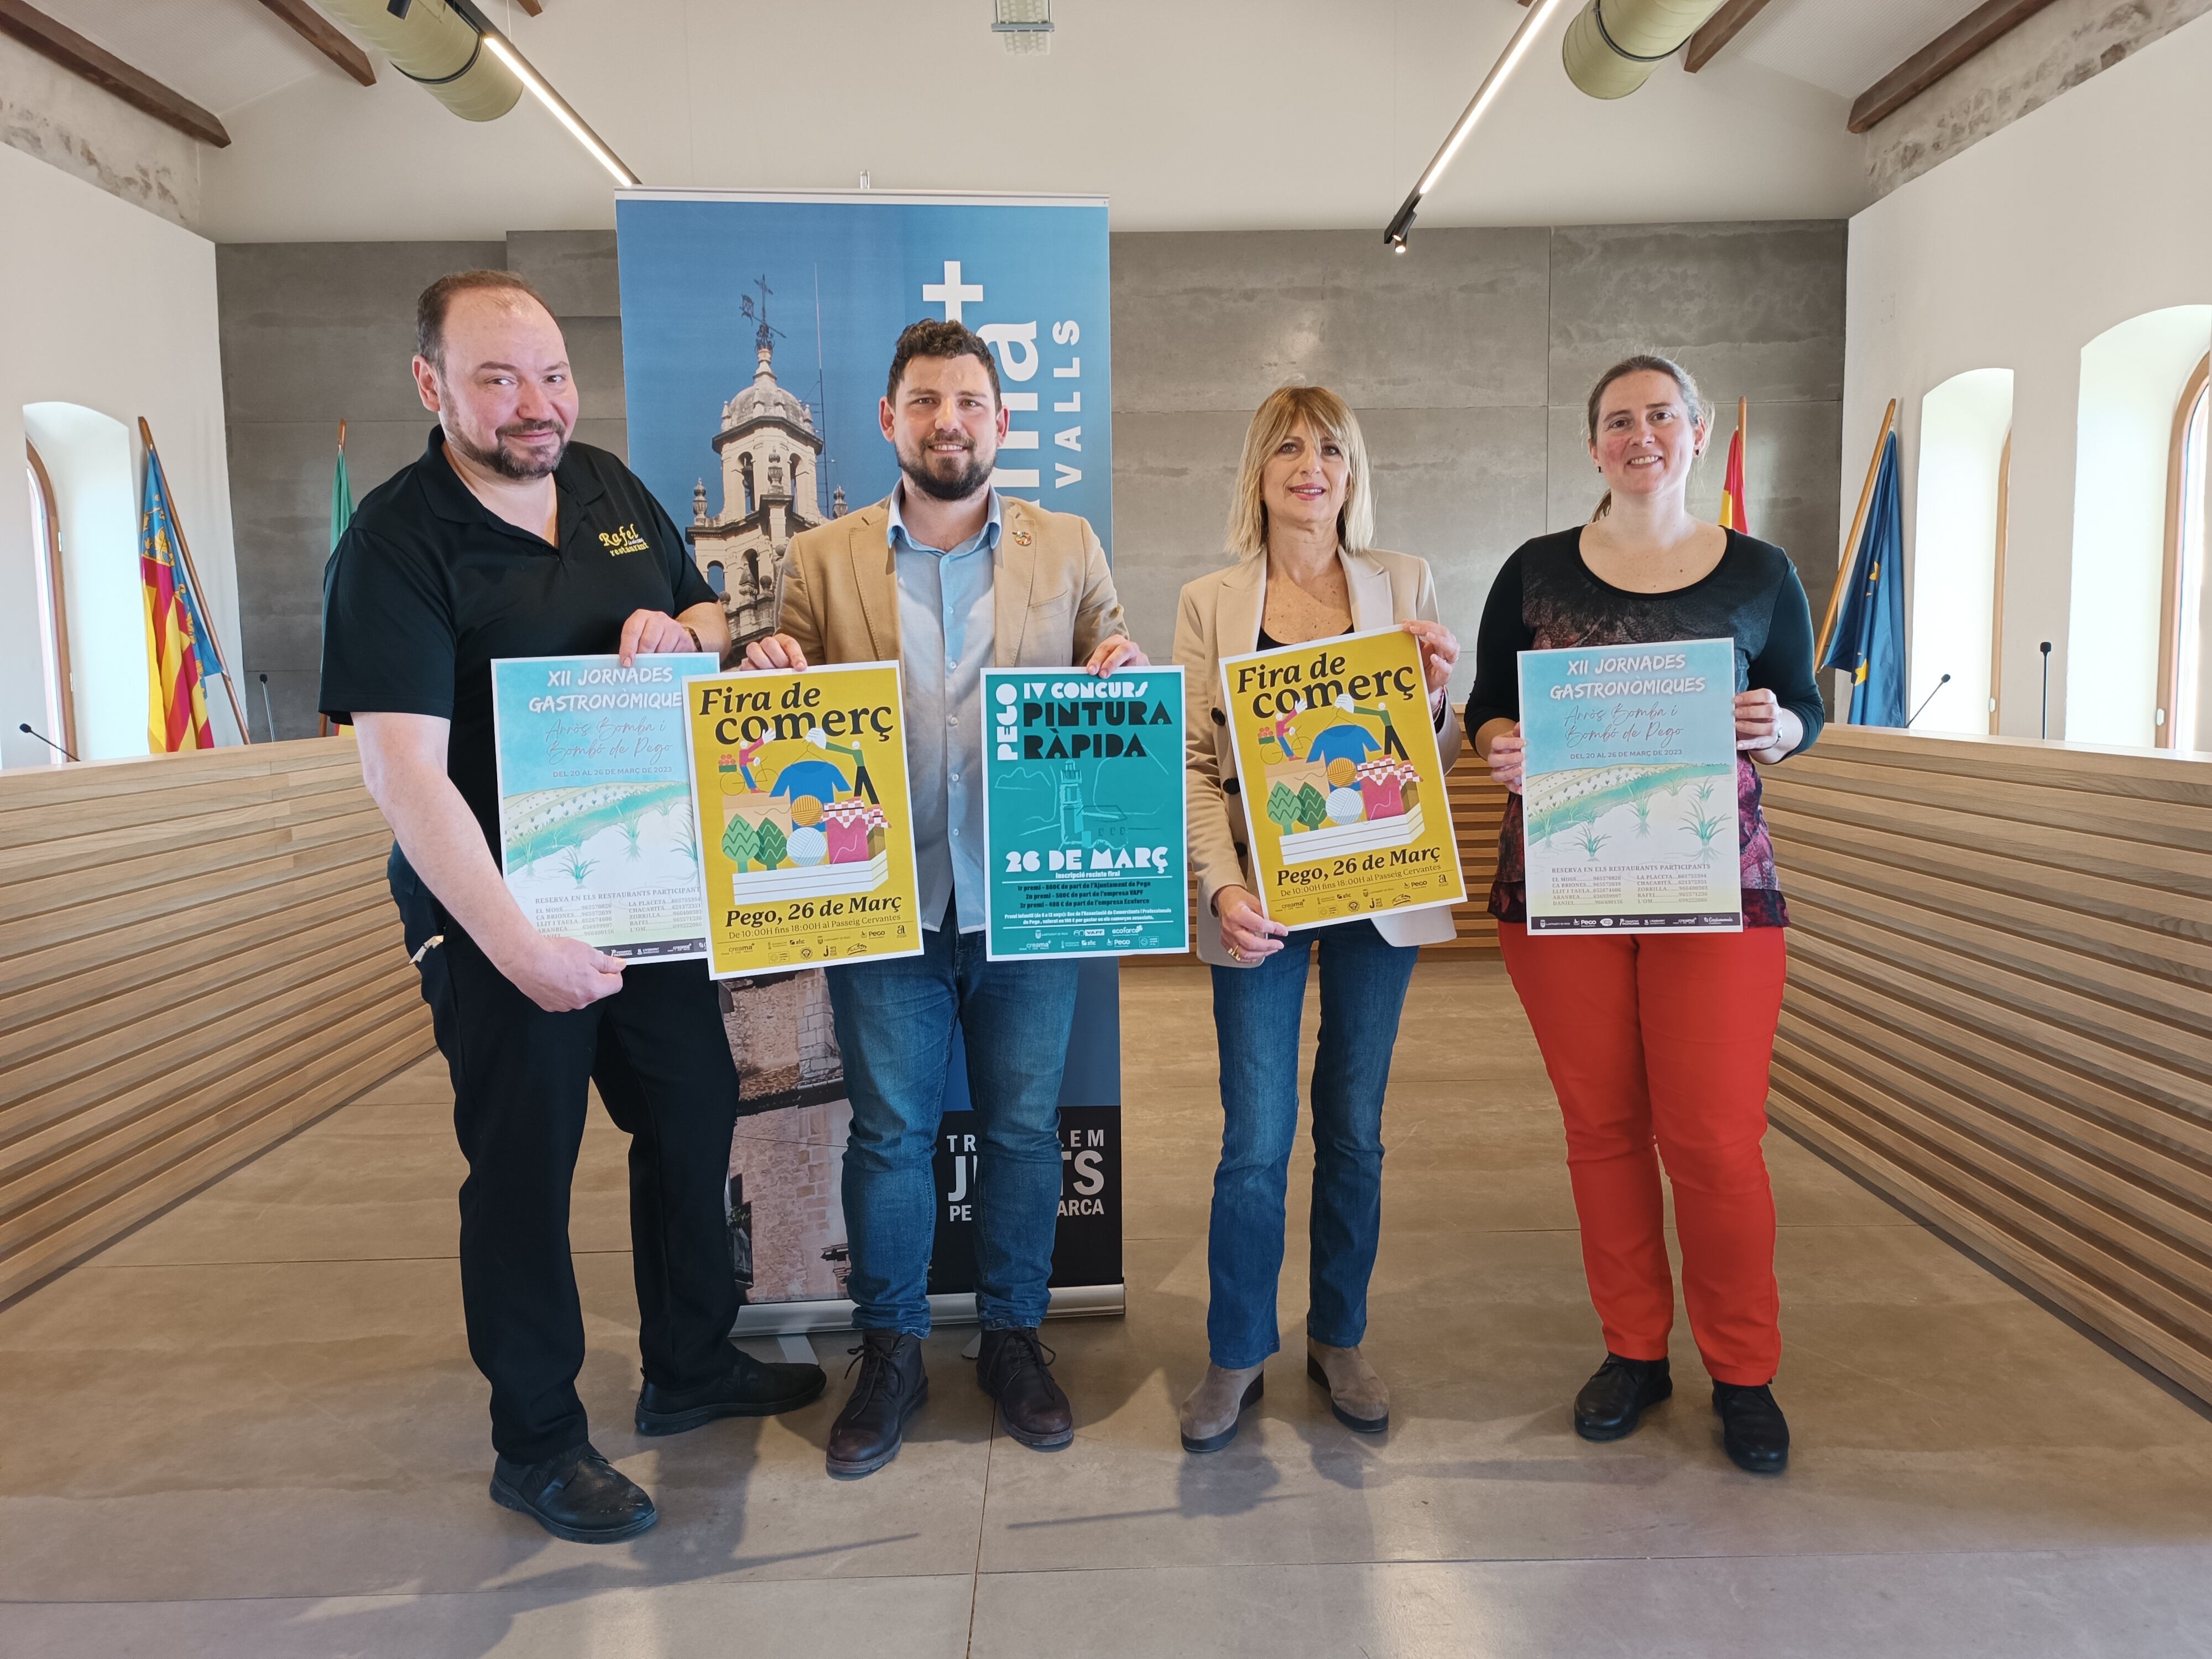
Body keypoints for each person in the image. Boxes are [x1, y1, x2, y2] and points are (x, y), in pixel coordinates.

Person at [321, 270, 824, 1545]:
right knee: (523, 1168)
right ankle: (536, 1437)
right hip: (496, 913)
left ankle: (689, 1364)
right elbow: (401, 774)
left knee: (692, 1108)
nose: (533, 404)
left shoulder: (603, 484)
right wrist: (515, 944)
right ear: (432, 385)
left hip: (643, 890)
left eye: (550, 374)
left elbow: (707, 609)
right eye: (497, 379)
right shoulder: (395, 541)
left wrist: (682, 625)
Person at [741, 319, 1144, 1477]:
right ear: (888, 420)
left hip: (1028, 904)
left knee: (1022, 1135)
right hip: (886, 905)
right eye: (922, 402)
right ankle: (893, 1351)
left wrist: (1116, 664)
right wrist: (762, 663)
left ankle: (1014, 1339)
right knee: (889, 1138)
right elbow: (779, 690)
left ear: (1001, 421)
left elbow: (1111, 649)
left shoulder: (1065, 544)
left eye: (967, 401)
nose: (946, 422)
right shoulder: (819, 561)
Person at [1465, 353, 1824, 1476]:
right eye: (1617, 421)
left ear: (1698, 431)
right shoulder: (1531, 571)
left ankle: (1742, 1369)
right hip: (1562, 890)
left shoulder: (1759, 571)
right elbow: (1486, 703)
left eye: (1660, 416)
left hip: (1715, 892)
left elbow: (1804, 704)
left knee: (1713, 1140)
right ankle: (1631, 1349)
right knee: (1602, 1130)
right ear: (1591, 446)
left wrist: (1780, 729)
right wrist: (1495, 748)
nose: (1640, 435)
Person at [1172, 385, 1461, 1454]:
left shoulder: (1406, 582)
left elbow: (1428, 752)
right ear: (1258, 470)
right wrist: (1218, 886)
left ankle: (1338, 1336)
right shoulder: (1211, 600)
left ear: (1353, 471)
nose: (1311, 464)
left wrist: (1435, 695)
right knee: (1255, 1137)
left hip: (1378, 895)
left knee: (1354, 1126)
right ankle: (1236, 1351)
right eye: (1288, 446)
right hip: (1261, 902)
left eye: (1330, 448)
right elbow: (1200, 769)